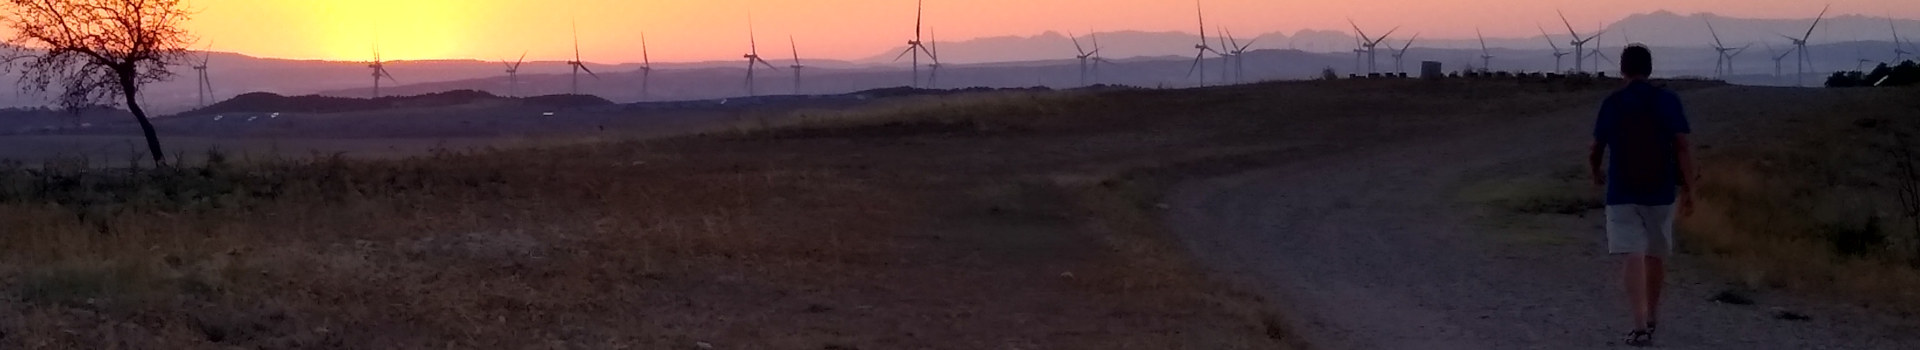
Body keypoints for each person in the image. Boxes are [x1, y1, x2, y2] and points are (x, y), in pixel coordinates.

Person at [1589, 44, 1696, 347]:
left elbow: (1595, 148)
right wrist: (1690, 188)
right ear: (1649, 69)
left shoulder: (1612, 103)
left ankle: (1638, 325)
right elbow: (1683, 146)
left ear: (1622, 69)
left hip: (1621, 192)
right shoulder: (1668, 100)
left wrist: (1595, 172)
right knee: (1655, 255)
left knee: (1631, 255)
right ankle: (1652, 317)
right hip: (1661, 192)